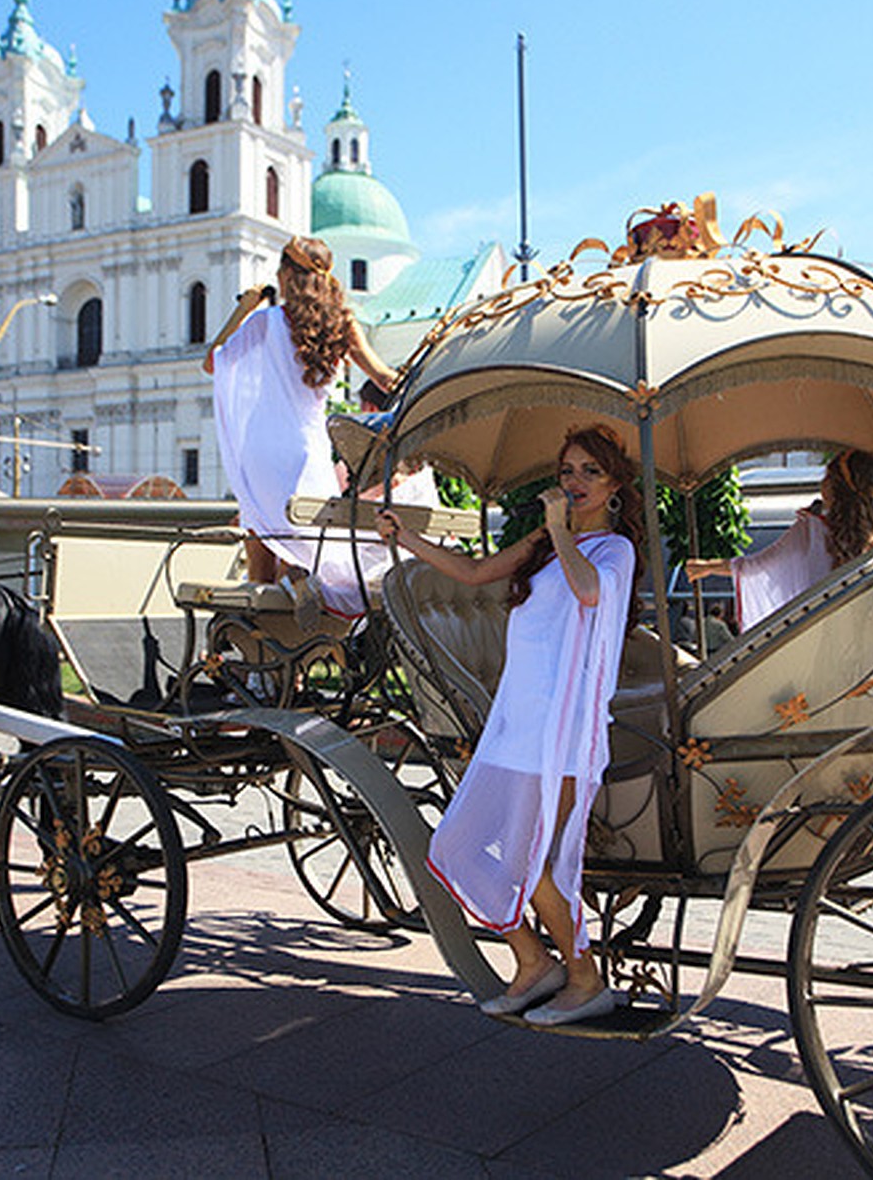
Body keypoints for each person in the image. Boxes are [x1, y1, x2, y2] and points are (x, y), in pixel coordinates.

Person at [376, 425, 643, 1026]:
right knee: (455, 847)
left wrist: (557, 531)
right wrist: (408, 538)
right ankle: (533, 962)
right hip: (518, 725)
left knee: (536, 868)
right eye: (567, 471)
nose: (573, 483)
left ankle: (586, 978)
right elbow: (473, 574)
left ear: (616, 485)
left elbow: (590, 594)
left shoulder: (613, 551)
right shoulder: (547, 543)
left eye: (589, 473)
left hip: (565, 733)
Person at [211, 236, 400, 596]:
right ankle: (298, 581)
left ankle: (267, 623)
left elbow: (213, 360)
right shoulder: (342, 325)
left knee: (260, 570)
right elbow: (385, 378)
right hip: (308, 455)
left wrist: (244, 310)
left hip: (262, 456)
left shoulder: (264, 322)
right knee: (308, 547)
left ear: (286, 275)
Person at [685, 449, 873, 632]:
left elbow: (760, 564)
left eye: (827, 478)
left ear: (836, 488)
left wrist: (709, 567)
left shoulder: (812, 529)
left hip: (827, 637)